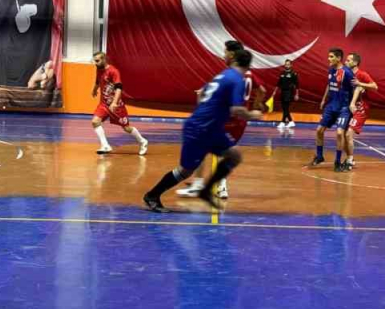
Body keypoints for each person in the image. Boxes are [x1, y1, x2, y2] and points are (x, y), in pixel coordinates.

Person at [143, 49, 263, 213]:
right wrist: (253, 114)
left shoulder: (222, 76)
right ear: (248, 65)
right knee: (185, 171)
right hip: (200, 129)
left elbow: (201, 95)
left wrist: (215, 110)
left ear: (235, 61)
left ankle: (207, 190)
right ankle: (152, 195)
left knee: (234, 155)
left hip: (210, 128)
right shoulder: (237, 79)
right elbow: (237, 110)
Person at [179, 40, 248, 198]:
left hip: (226, 119)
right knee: (226, 154)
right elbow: (261, 90)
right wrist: (258, 106)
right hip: (236, 121)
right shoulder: (244, 73)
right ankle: (212, 185)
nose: (223, 54)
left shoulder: (233, 75)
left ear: (232, 54)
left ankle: (208, 185)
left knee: (211, 149)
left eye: (225, 52)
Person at [91, 51, 148, 156]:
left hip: (116, 106)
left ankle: (143, 141)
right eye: (94, 61)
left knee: (126, 128)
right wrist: (94, 89)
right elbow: (98, 81)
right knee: (95, 122)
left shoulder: (113, 71)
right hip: (103, 104)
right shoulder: (99, 69)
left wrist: (114, 102)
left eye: (98, 60)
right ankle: (105, 145)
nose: (95, 63)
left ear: (104, 59)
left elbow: (119, 88)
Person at [308, 48, 354, 170]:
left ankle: (337, 162)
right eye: (329, 56)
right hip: (331, 105)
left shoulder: (347, 73)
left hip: (343, 108)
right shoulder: (331, 70)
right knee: (319, 130)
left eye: (331, 57)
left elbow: (356, 88)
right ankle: (319, 156)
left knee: (339, 133)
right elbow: (329, 85)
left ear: (339, 58)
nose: (329, 59)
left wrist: (353, 104)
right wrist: (324, 99)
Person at [342, 52, 378, 171]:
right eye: (346, 60)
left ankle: (350, 159)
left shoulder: (362, 74)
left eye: (348, 60)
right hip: (348, 107)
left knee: (348, 134)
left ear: (355, 62)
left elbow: (374, 86)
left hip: (360, 108)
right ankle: (348, 158)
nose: (346, 62)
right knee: (343, 135)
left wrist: (360, 84)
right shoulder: (345, 74)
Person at [276, 59, 300, 130]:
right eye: (286, 64)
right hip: (282, 92)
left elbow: (297, 85)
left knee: (286, 107)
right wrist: (274, 92)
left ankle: (283, 122)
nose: (287, 65)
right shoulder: (282, 73)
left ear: (291, 65)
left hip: (289, 92)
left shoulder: (293, 74)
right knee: (284, 107)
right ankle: (291, 121)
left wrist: (296, 94)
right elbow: (278, 84)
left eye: (288, 64)